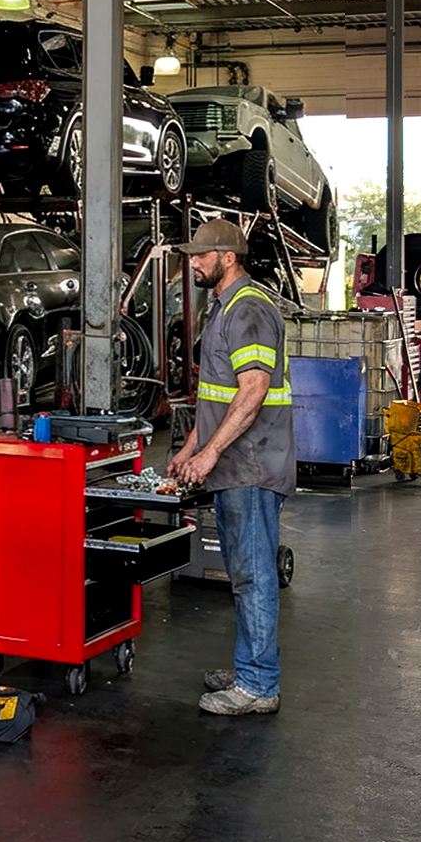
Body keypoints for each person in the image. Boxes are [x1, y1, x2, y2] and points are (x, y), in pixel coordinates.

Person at [168, 218, 294, 716]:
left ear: (228, 257)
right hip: (238, 465)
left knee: (252, 575)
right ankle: (250, 666)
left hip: (252, 466)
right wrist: (191, 448)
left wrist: (210, 454)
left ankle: (258, 684)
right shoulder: (224, 307)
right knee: (243, 572)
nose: (194, 263)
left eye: (201, 255)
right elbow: (218, 397)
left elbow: (253, 391)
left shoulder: (249, 309)